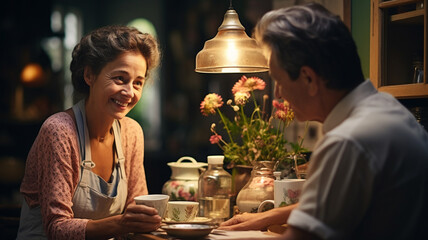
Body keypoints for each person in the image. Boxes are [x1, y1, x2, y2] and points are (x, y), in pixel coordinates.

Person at [219, 3, 428, 239]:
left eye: (278, 79)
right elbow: (338, 199)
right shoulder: (391, 113)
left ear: (308, 78)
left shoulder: (348, 142)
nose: (277, 93)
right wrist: (265, 217)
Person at [17, 25, 161, 239]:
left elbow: (136, 212)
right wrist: (122, 223)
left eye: (138, 83)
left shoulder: (132, 133)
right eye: (120, 78)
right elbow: (57, 228)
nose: (129, 92)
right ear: (89, 75)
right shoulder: (59, 131)